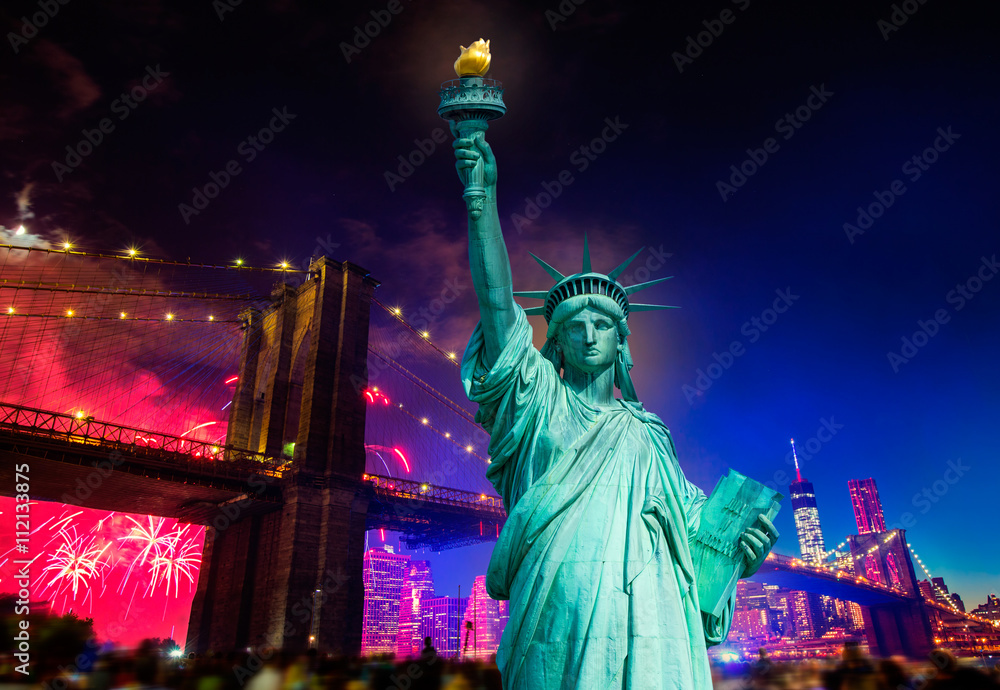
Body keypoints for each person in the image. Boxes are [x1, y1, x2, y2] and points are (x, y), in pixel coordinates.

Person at [452, 127, 778, 689]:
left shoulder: (649, 436)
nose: (588, 335)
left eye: (602, 323)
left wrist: (738, 547)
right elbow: (498, 303)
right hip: (557, 605)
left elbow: (692, 526)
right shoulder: (537, 403)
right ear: (552, 343)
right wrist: (481, 200)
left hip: (654, 615)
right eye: (572, 326)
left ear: (622, 342)